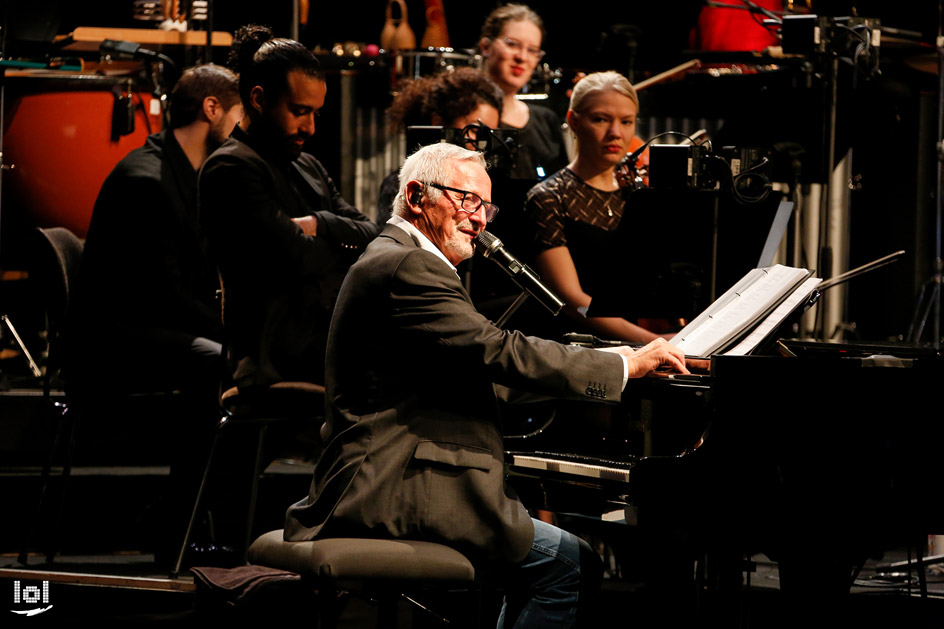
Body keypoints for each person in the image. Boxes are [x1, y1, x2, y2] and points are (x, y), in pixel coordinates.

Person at [284, 142, 689, 627]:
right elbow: (497, 351)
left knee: (551, 562)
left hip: (395, 471)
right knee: (569, 565)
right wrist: (622, 369)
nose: (480, 220)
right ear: (416, 195)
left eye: (486, 206)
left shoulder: (399, 256)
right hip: (392, 483)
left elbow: (481, 369)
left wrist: (611, 357)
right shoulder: (408, 265)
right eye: (468, 201)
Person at [67, 63, 242, 564]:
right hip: (113, 344)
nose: (242, 130)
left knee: (234, 356)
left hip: (147, 328)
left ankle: (184, 516)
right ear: (211, 109)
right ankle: (177, 525)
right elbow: (163, 298)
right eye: (237, 116)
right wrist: (235, 330)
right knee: (217, 358)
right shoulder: (148, 179)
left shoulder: (184, 173)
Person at [200, 26, 381, 389]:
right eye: (299, 111)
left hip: (324, 340)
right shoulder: (231, 169)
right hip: (280, 357)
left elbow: (372, 233)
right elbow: (298, 260)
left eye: (315, 113)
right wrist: (342, 245)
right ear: (258, 98)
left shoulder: (308, 165)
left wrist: (320, 223)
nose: (311, 127)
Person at [525, 71, 664, 344]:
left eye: (626, 122)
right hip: (574, 346)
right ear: (573, 122)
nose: (616, 133)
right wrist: (653, 342)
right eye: (601, 119)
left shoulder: (638, 194)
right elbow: (572, 301)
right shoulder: (548, 197)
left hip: (642, 339)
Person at [376, 66, 504, 223]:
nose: (481, 145)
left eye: (490, 136)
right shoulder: (401, 184)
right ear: (439, 123)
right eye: (475, 131)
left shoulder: (492, 186)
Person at [479, 3, 568, 181]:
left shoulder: (547, 120)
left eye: (532, 50)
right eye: (512, 44)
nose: (522, 57)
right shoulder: (464, 116)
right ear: (486, 47)